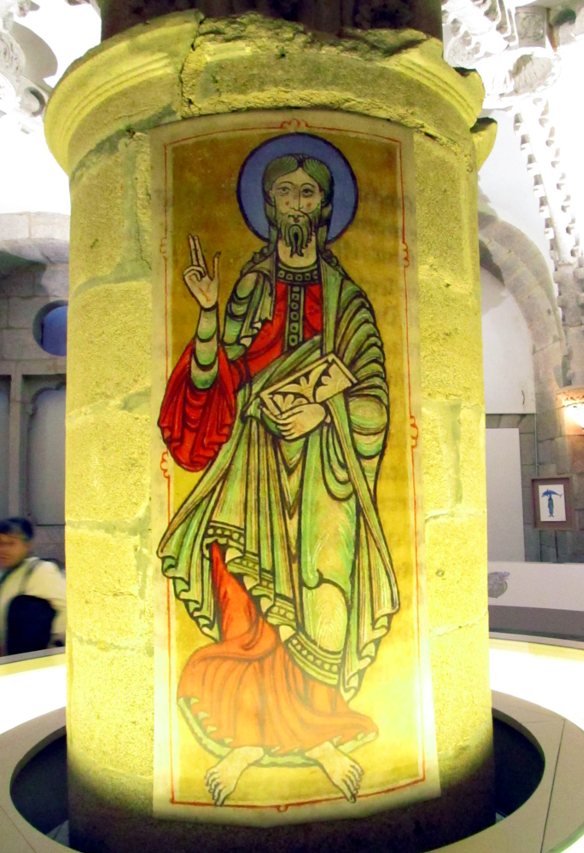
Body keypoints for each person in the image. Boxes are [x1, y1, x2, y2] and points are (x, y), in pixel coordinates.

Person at [158, 149, 398, 805]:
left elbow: (375, 394)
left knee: (322, 601)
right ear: (268, 206)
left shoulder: (347, 301)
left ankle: (315, 733)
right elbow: (216, 378)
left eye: (305, 193)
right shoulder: (251, 286)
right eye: (282, 192)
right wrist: (209, 311)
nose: (295, 204)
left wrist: (326, 410)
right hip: (253, 462)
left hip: (326, 472)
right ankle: (249, 736)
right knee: (246, 596)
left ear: (325, 207)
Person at [0, 517, 66, 656]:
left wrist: (53, 650)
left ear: (27, 546)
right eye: (0, 543)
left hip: (33, 663)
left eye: (11, 543)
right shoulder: (4, 574)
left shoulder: (41, 571)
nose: (4, 550)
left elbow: (67, 608)